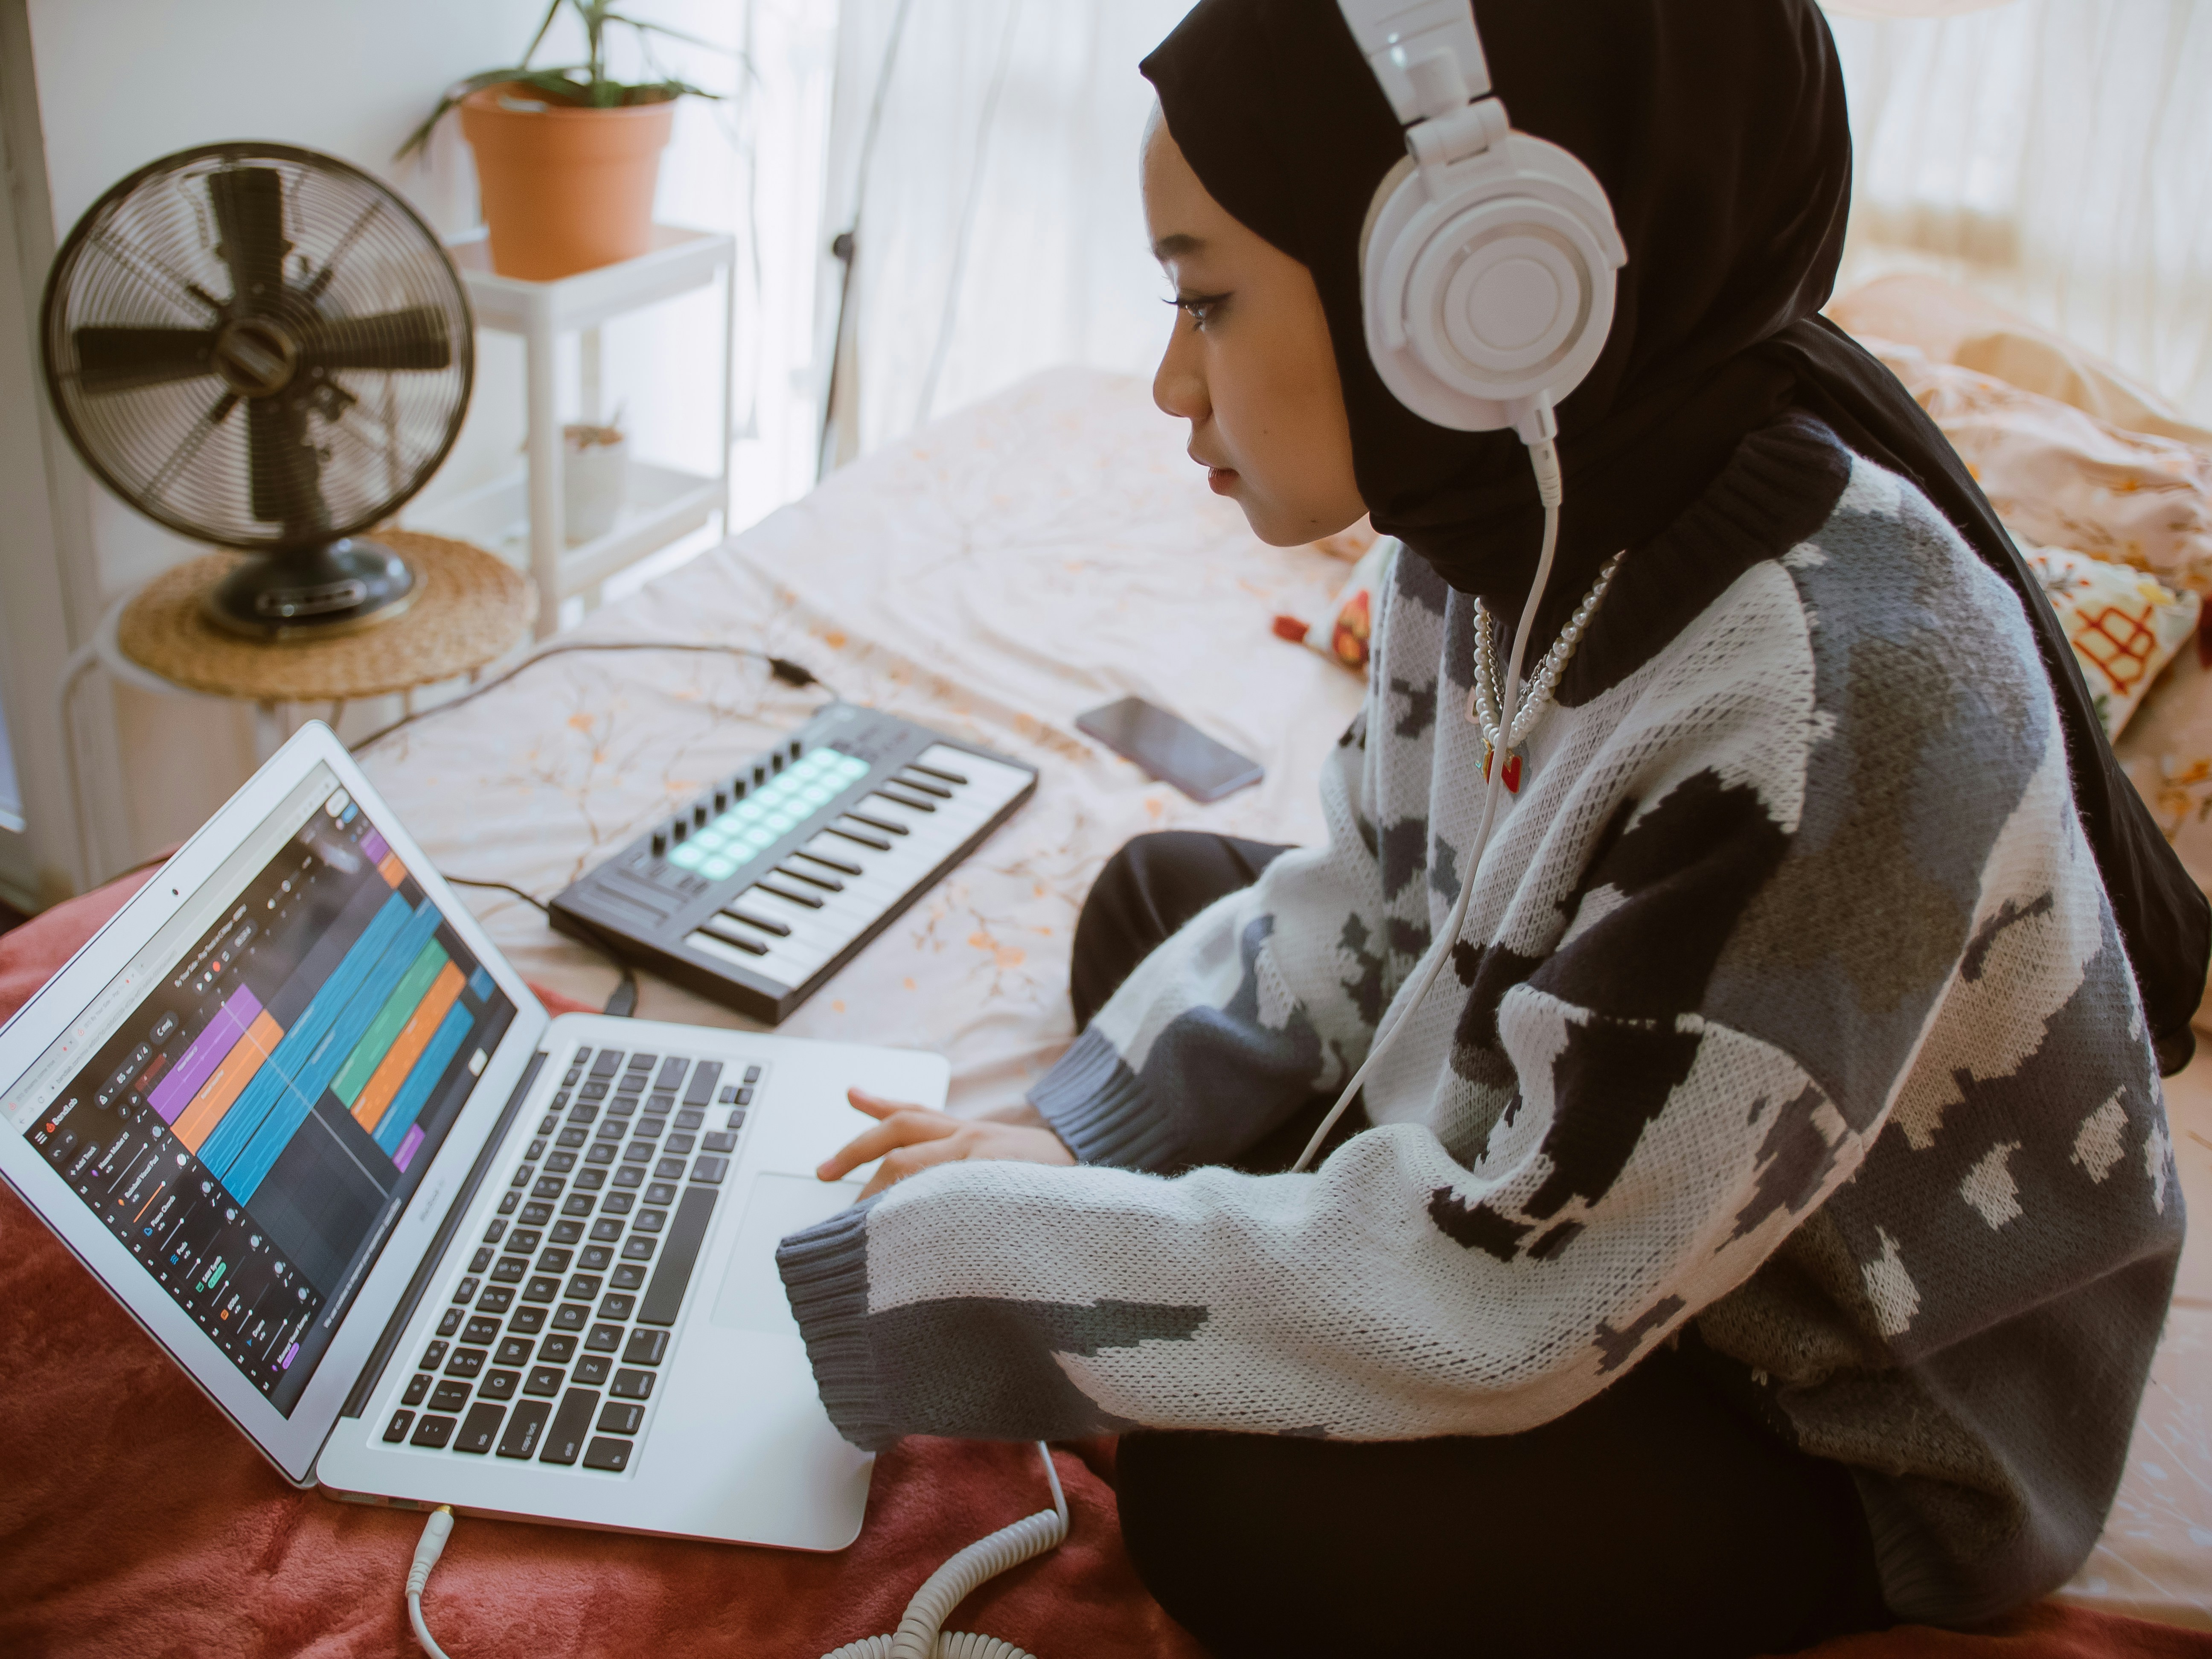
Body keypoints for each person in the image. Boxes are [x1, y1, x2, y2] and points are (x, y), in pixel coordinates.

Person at [777, 2, 2201, 1653]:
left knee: (1228, 1511)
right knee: (1155, 900)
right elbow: (1376, 890)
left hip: (1835, 1395)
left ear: (1485, 297)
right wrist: (1079, 1142)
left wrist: (973, 1257)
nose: (1170, 380)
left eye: (1207, 298)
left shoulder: (1838, 711)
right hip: (1645, 1162)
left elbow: (1508, 1294)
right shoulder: (1492, 518)